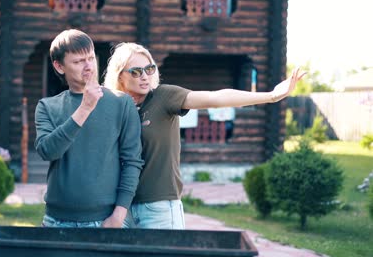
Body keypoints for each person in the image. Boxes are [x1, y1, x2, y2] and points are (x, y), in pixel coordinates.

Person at [103, 42, 306, 229]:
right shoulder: (116, 108)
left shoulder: (164, 97)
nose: (145, 76)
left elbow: (215, 98)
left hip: (159, 207)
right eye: (136, 72)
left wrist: (270, 96)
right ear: (120, 76)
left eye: (149, 69)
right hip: (122, 209)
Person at [35, 30, 144, 228]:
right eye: (78, 62)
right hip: (55, 221)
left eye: (91, 58)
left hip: (105, 220)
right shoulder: (47, 107)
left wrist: (118, 216)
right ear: (59, 66)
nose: (88, 66)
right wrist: (85, 108)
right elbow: (48, 151)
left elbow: (132, 162)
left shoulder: (122, 103)